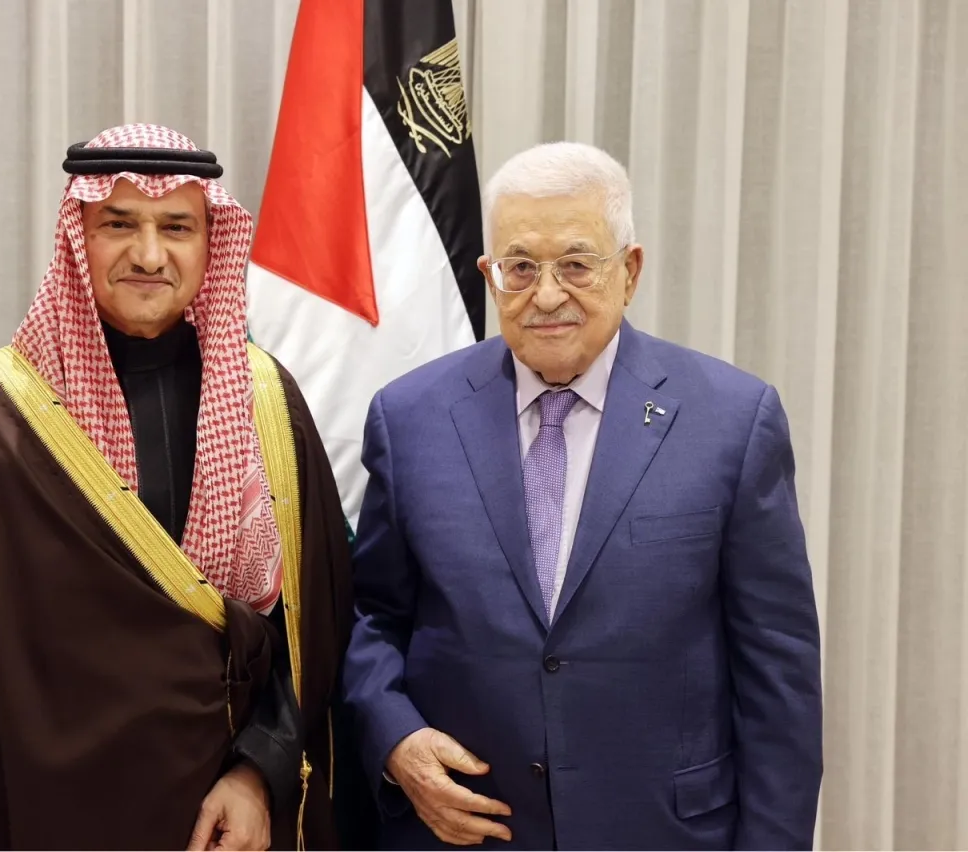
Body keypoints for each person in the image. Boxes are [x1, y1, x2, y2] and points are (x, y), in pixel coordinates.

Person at [0, 124, 361, 850]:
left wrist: (259, 771)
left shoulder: (263, 400)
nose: (149, 255)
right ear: (80, 236)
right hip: (42, 817)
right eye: (119, 224)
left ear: (212, 243)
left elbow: (312, 628)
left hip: (222, 821)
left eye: (177, 227)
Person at [340, 141, 823, 849]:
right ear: (489, 276)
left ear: (630, 271)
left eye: (575, 264)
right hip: (466, 831)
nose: (546, 295)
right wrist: (395, 738)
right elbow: (373, 616)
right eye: (520, 268)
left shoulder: (732, 421)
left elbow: (778, 671)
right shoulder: (410, 417)